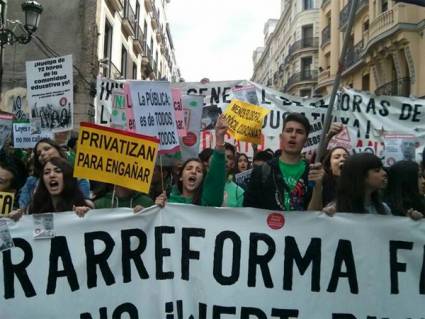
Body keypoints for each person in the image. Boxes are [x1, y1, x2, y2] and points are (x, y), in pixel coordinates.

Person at [243, 112, 324, 211]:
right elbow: (249, 211)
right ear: (281, 137)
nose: (293, 135)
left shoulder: (313, 173)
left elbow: (315, 218)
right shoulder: (262, 171)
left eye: (299, 132)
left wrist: (318, 188)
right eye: (289, 130)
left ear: (306, 141)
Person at [152, 115, 227, 208]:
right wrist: (156, 209)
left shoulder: (208, 201)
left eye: (199, 170)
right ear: (181, 177)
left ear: (203, 179)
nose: (194, 171)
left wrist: (219, 138)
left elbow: (217, 176)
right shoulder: (168, 204)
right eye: (189, 168)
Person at [9, 157, 92, 220]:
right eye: (47, 172)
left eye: (58, 171)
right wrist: (16, 219)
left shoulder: (84, 205)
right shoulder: (32, 208)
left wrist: (88, 215)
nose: (52, 175)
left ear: (67, 177)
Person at [18, 138, 90, 208]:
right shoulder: (31, 181)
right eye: (38, 153)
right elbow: (23, 209)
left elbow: (85, 206)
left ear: (58, 150)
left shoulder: (79, 178)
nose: (42, 154)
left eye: (47, 149)